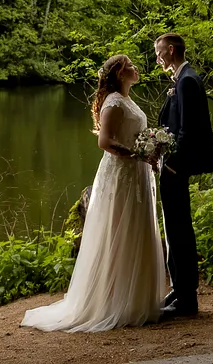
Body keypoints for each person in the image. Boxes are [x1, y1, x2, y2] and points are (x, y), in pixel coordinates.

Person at [21, 54, 168, 332]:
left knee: (135, 229)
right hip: (122, 175)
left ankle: (135, 299)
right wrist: (137, 153)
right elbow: (105, 141)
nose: (136, 68)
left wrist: (149, 153)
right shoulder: (113, 102)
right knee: (119, 230)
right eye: (130, 66)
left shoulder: (127, 100)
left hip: (136, 172)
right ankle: (114, 301)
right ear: (119, 74)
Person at [154, 32, 213, 319]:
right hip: (172, 167)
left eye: (159, 52)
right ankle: (179, 289)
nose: (157, 58)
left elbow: (188, 131)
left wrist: (172, 165)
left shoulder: (188, 80)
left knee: (179, 229)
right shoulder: (182, 78)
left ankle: (187, 298)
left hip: (176, 169)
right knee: (174, 228)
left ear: (170, 49)